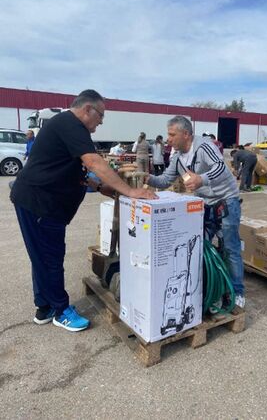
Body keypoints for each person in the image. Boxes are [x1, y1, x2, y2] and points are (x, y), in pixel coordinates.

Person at [10, 90, 157, 332]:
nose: (100, 123)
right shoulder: (70, 124)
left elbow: (72, 169)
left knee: (42, 257)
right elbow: (93, 162)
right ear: (88, 109)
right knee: (50, 258)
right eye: (100, 116)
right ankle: (60, 310)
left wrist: (101, 186)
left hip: (40, 202)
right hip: (40, 204)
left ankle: (44, 307)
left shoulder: (65, 125)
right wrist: (130, 192)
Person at [146, 115, 245, 308]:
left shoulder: (204, 146)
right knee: (201, 246)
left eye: (172, 135)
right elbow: (166, 180)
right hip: (205, 204)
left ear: (186, 134)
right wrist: (146, 177)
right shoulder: (177, 157)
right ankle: (211, 289)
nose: (168, 139)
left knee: (230, 247)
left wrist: (201, 179)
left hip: (226, 200)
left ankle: (237, 292)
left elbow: (221, 169)